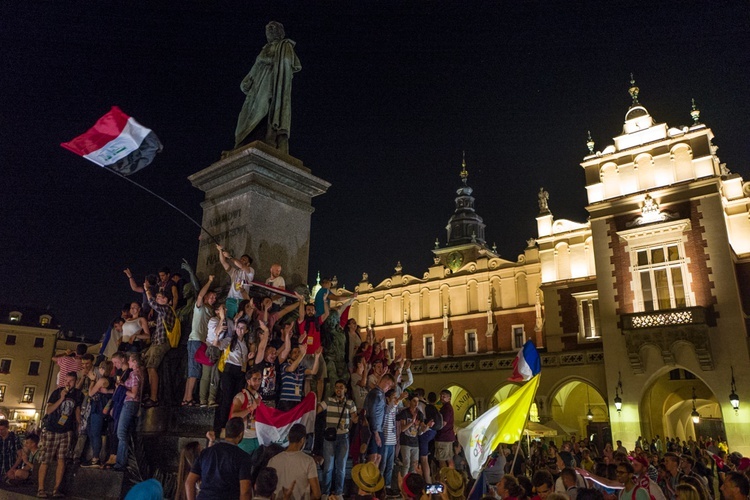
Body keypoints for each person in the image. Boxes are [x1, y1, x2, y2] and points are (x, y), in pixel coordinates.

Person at [234, 20, 301, 152]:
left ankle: (267, 138)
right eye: (268, 29)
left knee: (265, 107)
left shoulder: (284, 46)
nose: (269, 31)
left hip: (272, 83)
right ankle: (246, 140)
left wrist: (265, 61)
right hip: (257, 86)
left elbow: (287, 62)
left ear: (280, 32)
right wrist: (247, 79)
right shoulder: (264, 49)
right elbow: (255, 68)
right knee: (245, 115)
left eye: (273, 28)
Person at [37, 371, 84, 498]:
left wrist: (79, 425)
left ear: (75, 382)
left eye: (70, 381)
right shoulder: (57, 392)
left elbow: (77, 411)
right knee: (45, 459)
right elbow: (49, 410)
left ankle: (56, 489)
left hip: (66, 431)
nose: (67, 383)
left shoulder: (79, 394)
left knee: (61, 459)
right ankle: (41, 488)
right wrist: (61, 398)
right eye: (66, 381)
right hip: (52, 429)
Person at [186, 417, 252, 500]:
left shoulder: (205, 453)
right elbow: (245, 491)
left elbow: (189, 482)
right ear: (241, 434)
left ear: (225, 432)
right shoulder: (243, 457)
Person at [213, 318, 254, 437]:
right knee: (226, 398)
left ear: (246, 331)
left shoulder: (245, 344)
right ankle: (221, 427)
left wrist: (248, 358)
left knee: (236, 399)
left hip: (240, 371)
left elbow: (243, 360)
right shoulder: (230, 340)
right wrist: (217, 335)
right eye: (238, 327)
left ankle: (231, 426)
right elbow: (217, 344)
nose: (240, 330)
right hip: (230, 370)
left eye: (242, 328)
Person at [319, 379, 358, 499]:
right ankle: (325, 493)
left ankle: (339, 493)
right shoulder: (329, 401)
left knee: (341, 467)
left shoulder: (350, 403)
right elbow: (317, 410)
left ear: (345, 389)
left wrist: (359, 416)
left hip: (343, 437)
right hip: (330, 438)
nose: (339, 389)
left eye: (341, 387)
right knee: (328, 467)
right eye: (337, 387)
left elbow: (355, 420)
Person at [183, 274, 216, 407]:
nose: (213, 299)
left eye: (215, 298)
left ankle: (186, 398)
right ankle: (189, 397)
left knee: (193, 371)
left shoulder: (211, 312)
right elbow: (200, 296)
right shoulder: (200, 307)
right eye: (211, 296)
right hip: (195, 339)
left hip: (202, 342)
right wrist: (209, 281)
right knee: (194, 371)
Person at [143, 284, 177, 408]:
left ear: (168, 301)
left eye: (161, 297)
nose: (158, 299)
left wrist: (147, 290)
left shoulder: (167, 309)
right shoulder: (162, 313)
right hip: (156, 342)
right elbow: (156, 323)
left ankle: (154, 397)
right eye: (157, 297)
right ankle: (147, 393)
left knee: (152, 367)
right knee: (145, 365)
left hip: (162, 342)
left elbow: (152, 303)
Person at [267, 423, 321, 500]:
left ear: (288, 438)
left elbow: (267, 489)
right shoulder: (308, 461)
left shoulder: (273, 460)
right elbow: (317, 494)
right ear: (303, 440)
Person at [114, 353, 144, 472]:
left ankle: (120, 462)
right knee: (124, 432)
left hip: (130, 403)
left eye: (130, 361)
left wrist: (122, 389)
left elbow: (133, 393)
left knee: (121, 432)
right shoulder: (139, 373)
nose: (129, 363)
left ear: (135, 362)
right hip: (131, 404)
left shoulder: (134, 374)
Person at [84, 360, 115, 467]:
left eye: (100, 368)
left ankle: (95, 458)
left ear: (103, 369)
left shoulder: (102, 380)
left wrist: (92, 380)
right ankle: (95, 457)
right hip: (98, 408)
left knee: (95, 433)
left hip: (98, 408)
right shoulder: (111, 380)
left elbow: (91, 393)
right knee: (91, 431)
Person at [278, 342, 321, 411]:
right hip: (286, 401)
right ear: (289, 355)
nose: (297, 354)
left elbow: (313, 371)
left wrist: (317, 357)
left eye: (298, 352)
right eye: (294, 352)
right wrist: (302, 354)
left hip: (297, 400)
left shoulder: (301, 368)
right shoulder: (284, 365)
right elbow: (292, 369)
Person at [364, 373, 395, 467]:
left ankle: (374, 480)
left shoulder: (381, 395)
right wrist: (376, 432)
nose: (388, 388)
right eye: (388, 384)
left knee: (378, 457)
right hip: (373, 429)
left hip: (380, 429)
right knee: (373, 457)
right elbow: (372, 414)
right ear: (383, 381)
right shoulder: (375, 394)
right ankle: (368, 480)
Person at [216, 244, 255, 319]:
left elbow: (241, 265)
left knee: (240, 322)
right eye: (241, 259)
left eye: (244, 260)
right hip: (231, 300)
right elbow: (223, 262)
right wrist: (220, 250)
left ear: (248, 264)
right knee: (228, 320)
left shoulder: (250, 271)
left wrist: (230, 256)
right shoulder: (235, 272)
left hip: (242, 300)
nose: (241, 260)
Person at [230, 368, 263, 454]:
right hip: (245, 437)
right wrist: (251, 408)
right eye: (255, 379)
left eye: (259, 379)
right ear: (248, 381)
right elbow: (234, 415)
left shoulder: (259, 397)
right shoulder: (241, 396)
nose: (257, 382)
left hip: (257, 437)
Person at [398, 393, 424, 477]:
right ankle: (403, 485)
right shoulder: (405, 413)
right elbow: (403, 429)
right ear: (410, 402)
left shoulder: (420, 414)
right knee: (406, 464)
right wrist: (412, 422)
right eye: (414, 401)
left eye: (417, 401)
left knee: (414, 465)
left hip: (415, 442)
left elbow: (420, 430)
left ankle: (411, 484)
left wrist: (427, 427)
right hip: (405, 441)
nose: (416, 403)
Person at [435, 389, 455, 468]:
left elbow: (443, 423)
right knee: (449, 458)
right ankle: (452, 477)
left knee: (442, 459)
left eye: (444, 396)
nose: (441, 398)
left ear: (449, 398)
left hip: (443, 437)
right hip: (448, 436)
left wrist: (434, 427)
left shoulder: (446, 408)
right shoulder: (447, 407)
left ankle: (444, 477)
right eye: (441, 396)